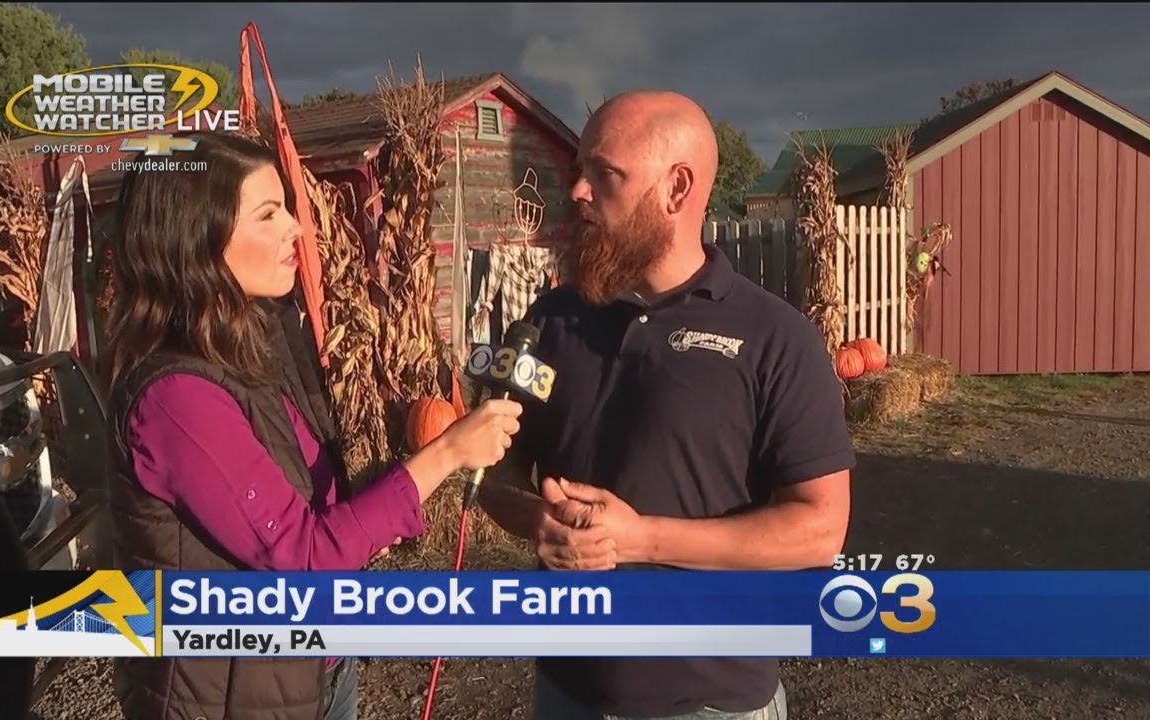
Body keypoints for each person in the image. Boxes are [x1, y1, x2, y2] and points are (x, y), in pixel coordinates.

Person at [102, 131, 523, 720]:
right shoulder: (177, 398)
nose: (295, 228)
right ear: (194, 237)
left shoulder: (253, 342)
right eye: (267, 213)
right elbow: (301, 558)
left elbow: (304, 492)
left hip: (307, 667)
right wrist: (445, 452)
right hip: (230, 696)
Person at [477, 91, 855, 719]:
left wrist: (642, 539)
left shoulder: (775, 339)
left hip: (710, 704)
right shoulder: (550, 324)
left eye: (604, 174)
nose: (576, 192)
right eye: (579, 171)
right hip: (565, 692)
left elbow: (819, 530)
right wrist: (536, 522)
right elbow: (495, 468)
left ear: (677, 189)